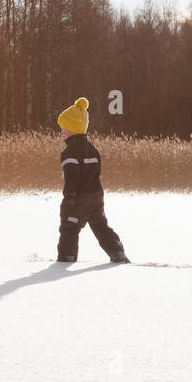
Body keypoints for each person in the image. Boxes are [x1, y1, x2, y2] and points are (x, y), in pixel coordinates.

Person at [55, 97, 129, 264]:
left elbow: (71, 176)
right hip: (96, 196)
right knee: (100, 225)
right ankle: (117, 252)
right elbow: (95, 172)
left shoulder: (70, 152)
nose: (61, 130)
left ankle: (66, 258)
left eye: (64, 127)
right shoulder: (92, 149)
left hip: (78, 198)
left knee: (69, 227)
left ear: (72, 128)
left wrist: (69, 197)